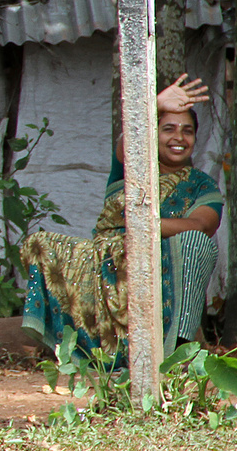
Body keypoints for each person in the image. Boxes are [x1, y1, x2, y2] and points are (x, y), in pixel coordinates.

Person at [21, 74, 222, 363]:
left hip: (161, 267)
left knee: (195, 242)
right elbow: (128, 141)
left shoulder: (202, 185)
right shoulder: (129, 168)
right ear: (152, 133)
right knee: (40, 242)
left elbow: (201, 225)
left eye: (187, 131)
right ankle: (68, 348)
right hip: (104, 263)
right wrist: (153, 104)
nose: (179, 138)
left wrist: (143, 229)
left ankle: (176, 350)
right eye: (168, 128)